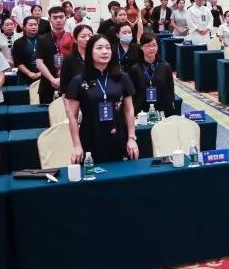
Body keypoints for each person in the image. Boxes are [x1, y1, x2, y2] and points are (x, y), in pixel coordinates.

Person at [66, 35, 138, 164]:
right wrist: (76, 145)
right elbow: (72, 116)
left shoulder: (122, 77)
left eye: (108, 48)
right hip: (91, 135)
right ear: (90, 52)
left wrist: (131, 138)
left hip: (118, 134)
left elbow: (129, 110)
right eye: (99, 48)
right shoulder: (78, 80)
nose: (105, 51)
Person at [12, 16, 58, 104]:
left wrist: (41, 72)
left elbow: (51, 59)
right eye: (30, 25)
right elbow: (17, 61)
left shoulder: (46, 40)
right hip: (25, 77)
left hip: (45, 76)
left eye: (35, 24)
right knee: (26, 103)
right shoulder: (18, 42)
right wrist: (30, 73)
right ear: (24, 27)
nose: (33, 27)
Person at [129, 33, 177, 116]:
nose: (151, 48)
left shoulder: (165, 66)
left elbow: (170, 90)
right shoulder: (135, 68)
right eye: (148, 45)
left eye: (154, 45)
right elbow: (133, 93)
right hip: (141, 110)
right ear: (141, 47)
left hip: (162, 109)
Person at [61, 24, 94, 94]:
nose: (87, 39)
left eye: (90, 36)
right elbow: (64, 88)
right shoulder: (68, 60)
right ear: (75, 39)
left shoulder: (98, 57)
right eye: (83, 36)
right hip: (76, 96)